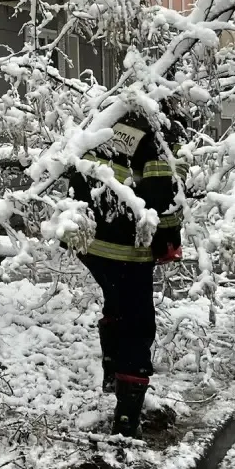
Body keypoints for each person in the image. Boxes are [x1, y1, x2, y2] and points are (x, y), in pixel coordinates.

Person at [67, 104, 185, 437]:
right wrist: (168, 239)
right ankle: (126, 417)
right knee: (137, 321)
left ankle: (112, 371)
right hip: (126, 243)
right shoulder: (162, 129)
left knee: (117, 298)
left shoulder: (108, 114)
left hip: (87, 237)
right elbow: (163, 190)